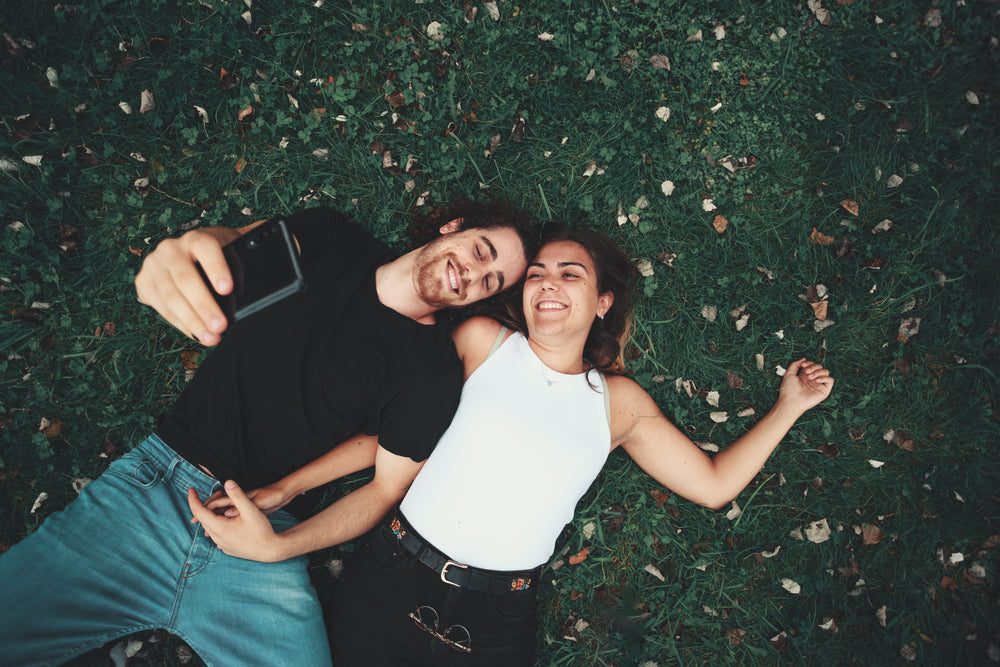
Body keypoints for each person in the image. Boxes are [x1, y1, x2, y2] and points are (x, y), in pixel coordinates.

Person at [195, 224, 834, 665]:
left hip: (496, 622)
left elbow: (715, 485)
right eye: (535, 274)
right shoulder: (481, 343)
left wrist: (789, 407)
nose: (547, 283)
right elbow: (387, 440)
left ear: (603, 302)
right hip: (390, 580)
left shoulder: (621, 406)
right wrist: (288, 486)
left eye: (569, 274)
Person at [0, 201, 536, 667]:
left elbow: (385, 488)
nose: (472, 273)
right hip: (154, 489)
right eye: (482, 251)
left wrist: (278, 546)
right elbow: (231, 255)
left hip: (261, 538)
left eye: (490, 282)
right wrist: (195, 249)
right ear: (454, 227)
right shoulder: (336, 241)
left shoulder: (433, 372)